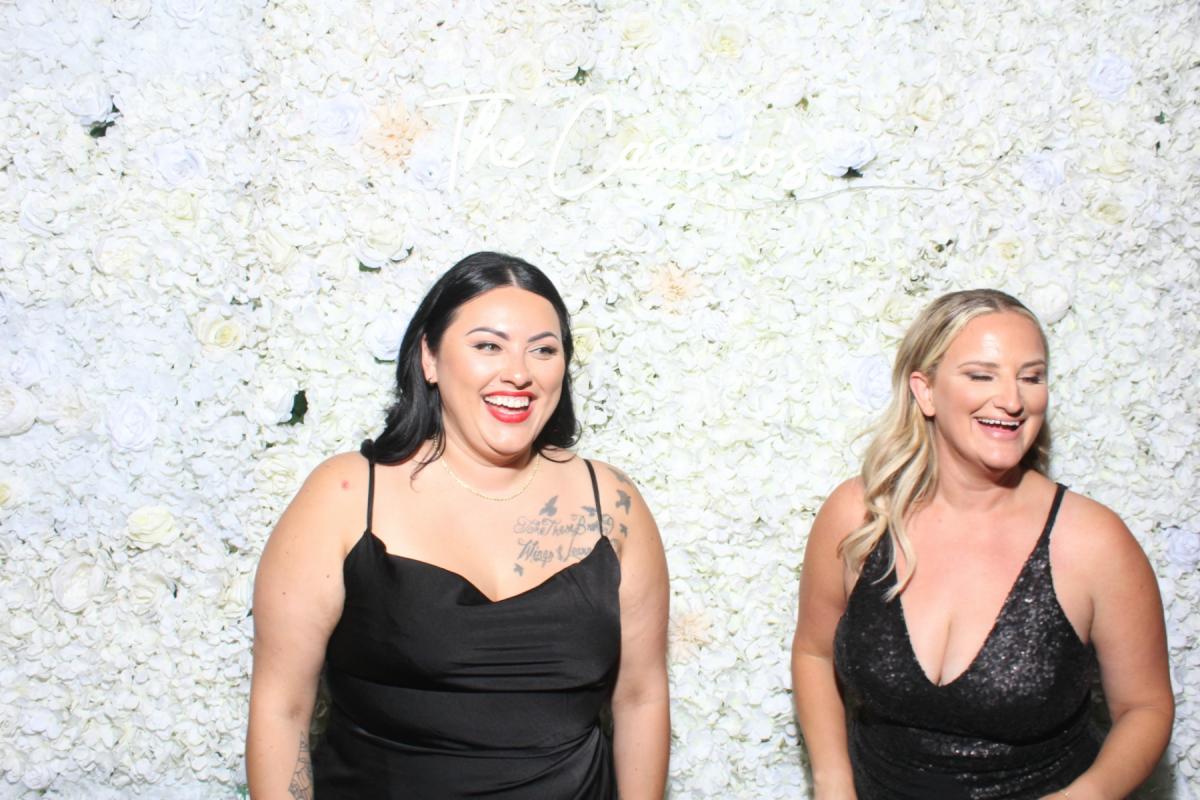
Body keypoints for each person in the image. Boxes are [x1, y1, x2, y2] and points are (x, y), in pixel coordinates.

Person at [246, 252, 670, 799]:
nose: (519, 372)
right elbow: (282, 708)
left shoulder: (612, 503)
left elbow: (640, 698)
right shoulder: (345, 495)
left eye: (544, 349)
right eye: (488, 346)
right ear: (429, 357)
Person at [791, 289, 1174, 799]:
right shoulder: (859, 515)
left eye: (1031, 377)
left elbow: (1145, 708)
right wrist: (833, 782)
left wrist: (1089, 795)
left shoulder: (1093, 541)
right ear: (926, 392)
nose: (1013, 400)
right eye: (981, 375)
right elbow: (814, 654)